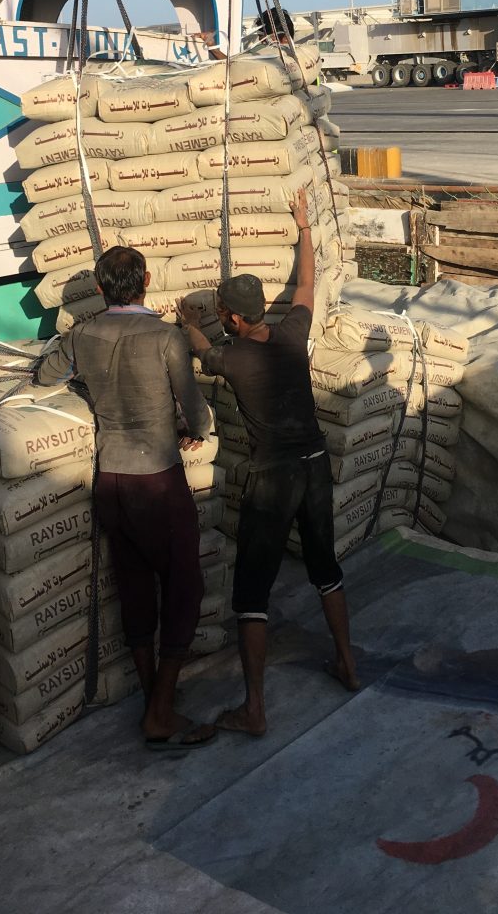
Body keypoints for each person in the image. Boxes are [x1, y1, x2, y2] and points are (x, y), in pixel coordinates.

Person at [178, 186, 358, 737]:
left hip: (273, 478)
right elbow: (306, 284)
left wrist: (186, 319)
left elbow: (199, 349)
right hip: (315, 464)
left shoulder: (232, 360)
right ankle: (348, 664)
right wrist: (303, 226)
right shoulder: (293, 335)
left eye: (223, 314)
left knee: (252, 595)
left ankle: (254, 709)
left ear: (232, 318)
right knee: (326, 570)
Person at [34, 244, 216, 752]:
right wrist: (196, 429)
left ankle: (153, 698)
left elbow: (46, 377)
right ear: (148, 281)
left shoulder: (82, 334)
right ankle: (160, 711)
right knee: (184, 587)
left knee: (134, 588)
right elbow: (195, 410)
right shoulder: (166, 336)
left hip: (111, 480)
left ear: (98, 289)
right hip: (157, 478)